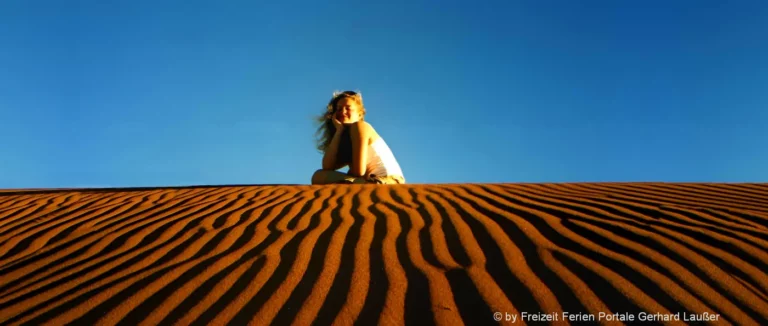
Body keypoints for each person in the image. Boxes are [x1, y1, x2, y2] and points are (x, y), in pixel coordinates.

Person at [311, 90, 406, 185]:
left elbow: (358, 171)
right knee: (318, 176)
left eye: (348, 108)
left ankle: (353, 183)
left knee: (320, 177)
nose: (343, 112)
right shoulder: (347, 137)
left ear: (359, 114)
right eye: (339, 109)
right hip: (369, 181)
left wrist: (349, 175)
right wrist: (339, 132)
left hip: (388, 181)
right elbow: (327, 167)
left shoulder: (360, 127)